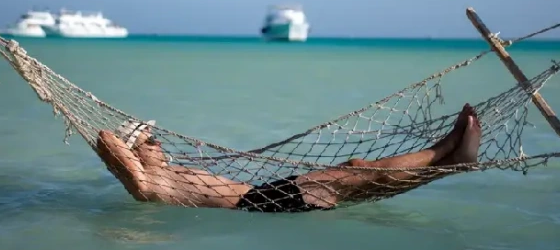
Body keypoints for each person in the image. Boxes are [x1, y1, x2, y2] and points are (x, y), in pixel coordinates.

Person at [96, 103, 482, 212]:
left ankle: (449, 162)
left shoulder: (163, 176)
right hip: (260, 202)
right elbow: (105, 138)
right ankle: (446, 149)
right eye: (151, 142)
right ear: (134, 156)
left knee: (365, 183)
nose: (158, 143)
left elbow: (118, 149)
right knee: (358, 171)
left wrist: (137, 141)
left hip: (264, 198)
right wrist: (131, 138)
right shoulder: (150, 183)